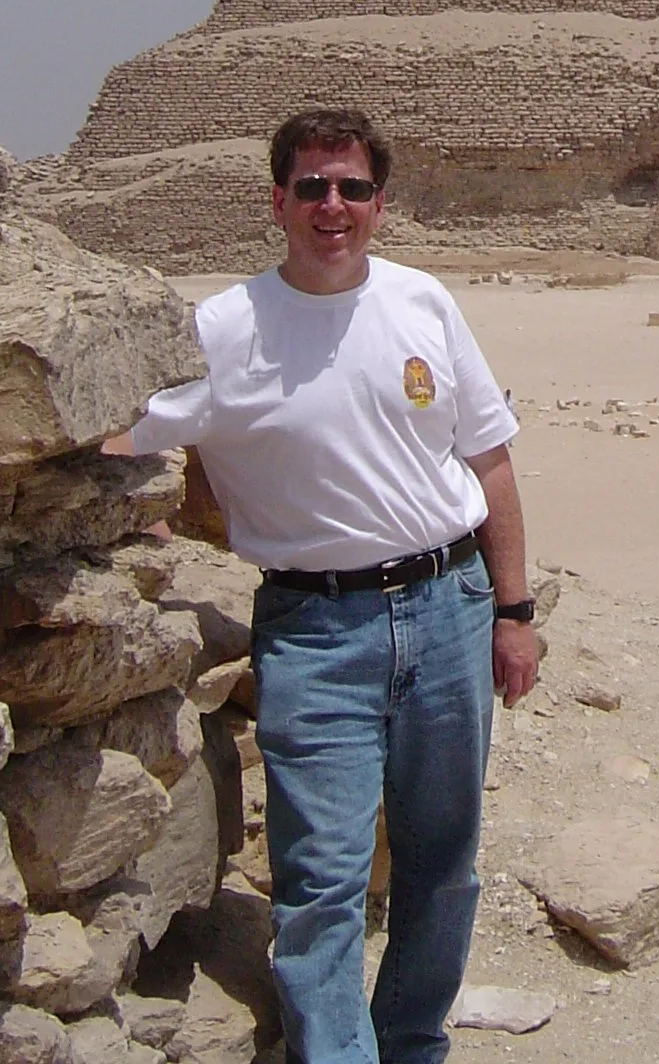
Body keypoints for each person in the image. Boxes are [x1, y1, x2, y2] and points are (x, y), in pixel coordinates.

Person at [123, 107, 538, 1064]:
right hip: (316, 628)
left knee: (443, 867)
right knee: (320, 883)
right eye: (312, 186)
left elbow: (492, 463)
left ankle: (413, 1044)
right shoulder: (223, 329)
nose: (332, 205)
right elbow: (117, 428)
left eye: (351, 187)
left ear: (380, 204)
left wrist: (513, 612)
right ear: (278, 201)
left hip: (447, 609)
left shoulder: (423, 301)